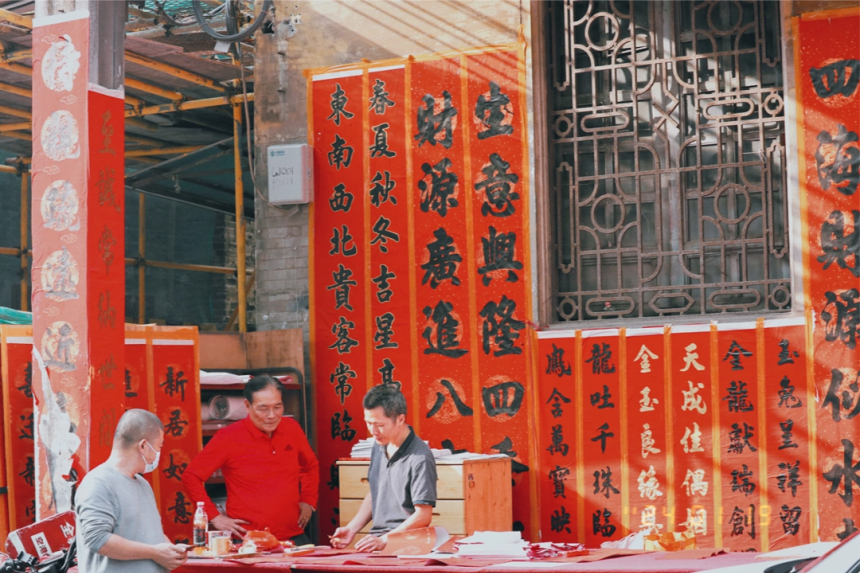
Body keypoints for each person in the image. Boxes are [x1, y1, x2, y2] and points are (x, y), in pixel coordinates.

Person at [182, 375, 319, 544]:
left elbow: (309, 466)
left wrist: (308, 499)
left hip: (293, 535)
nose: (272, 415)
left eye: (277, 407)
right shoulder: (228, 437)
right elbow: (191, 476)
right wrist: (215, 516)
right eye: (263, 408)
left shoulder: (292, 428)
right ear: (247, 406)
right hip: (247, 539)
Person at [76, 409, 188, 573]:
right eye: (159, 446)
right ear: (143, 446)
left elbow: (149, 534)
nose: (159, 453)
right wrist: (154, 552)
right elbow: (97, 539)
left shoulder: (143, 484)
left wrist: (170, 550)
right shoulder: (99, 482)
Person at [330, 385, 437, 552]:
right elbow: (376, 492)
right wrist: (351, 528)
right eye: (368, 423)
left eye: (379, 424)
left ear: (400, 419)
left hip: (407, 545)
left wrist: (385, 540)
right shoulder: (380, 444)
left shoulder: (420, 457)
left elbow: (423, 515)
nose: (373, 431)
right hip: (379, 540)